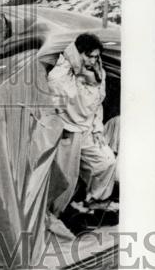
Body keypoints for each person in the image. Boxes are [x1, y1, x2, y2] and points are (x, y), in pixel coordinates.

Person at [46, 32, 117, 222]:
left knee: (106, 161)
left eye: (96, 57)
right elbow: (64, 99)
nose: (93, 61)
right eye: (89, 56)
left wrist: (97, 128)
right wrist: (79, 73)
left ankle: (96, 202)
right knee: (64, 179)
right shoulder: (62, 72)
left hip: (87, 129)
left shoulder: (97, 71)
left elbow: (96, 103)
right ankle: (57, 214)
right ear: (78, 53)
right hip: (66, 131)